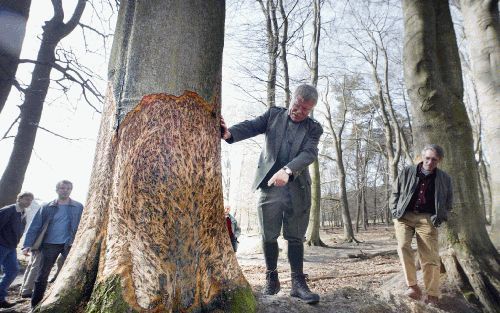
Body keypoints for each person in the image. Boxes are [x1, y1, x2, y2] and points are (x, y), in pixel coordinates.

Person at [221, 84, 323, 304]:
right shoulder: (273, 115)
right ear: (292, 99)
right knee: (268, 235)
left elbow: (309, 153)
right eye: (297, 106)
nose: (300, 112)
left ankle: (298, 283)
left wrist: (288, 171)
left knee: (295, 236)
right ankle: (272, 278)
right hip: (269, 187)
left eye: (306, 110)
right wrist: (230, 133)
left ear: (311, 110)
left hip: (298, 189)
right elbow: (252, 126)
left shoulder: (314, 128)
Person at [390, 144, 453, 306]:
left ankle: (432, 294)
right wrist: (395, 210)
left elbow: (448, 201)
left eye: (434, 160)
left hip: (427, 218)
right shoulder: (407, 171)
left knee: (429, 257)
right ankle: (413, 287)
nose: (430, 162)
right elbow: (395, 192)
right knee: (403, 246)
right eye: (427, 158)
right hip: (404, 215)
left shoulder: (444, 178)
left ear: (439, 161)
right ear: (422, 157)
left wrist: (441, 215)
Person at [22, 180, 84, 308]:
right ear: (57, 190)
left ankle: (70, 302)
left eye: (68, 188)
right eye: (62, 188)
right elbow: (35, 226)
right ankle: (35, 304)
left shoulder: (78, 206)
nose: (65, 190)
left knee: (77, 271)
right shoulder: (46, 206)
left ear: (71, 190)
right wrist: (27, 244)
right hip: (49, 245)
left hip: (70, 245)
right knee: (42, 275)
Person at [0, 191, 34, 308]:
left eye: (30, 200)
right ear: (19, 199)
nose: (28, 201)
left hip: (11, 247)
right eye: (26, 199)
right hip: (1, 245)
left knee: (13, 270)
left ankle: (0, 298)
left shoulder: (23, 213)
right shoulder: (9, 210)